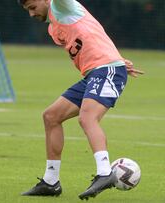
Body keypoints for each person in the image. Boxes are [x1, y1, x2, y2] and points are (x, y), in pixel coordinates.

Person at [17, 0, 144, 200]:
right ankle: (51, 182)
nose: (31, 14)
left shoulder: (62, 6)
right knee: (51, 116)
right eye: (28, 10)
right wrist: (115, 57)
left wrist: (114, 62)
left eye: (33, 7)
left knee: (87, 118)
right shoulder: (53, 26)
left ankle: (105, 173)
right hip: (95, 73)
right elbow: (95, 33)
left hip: (106, 71)